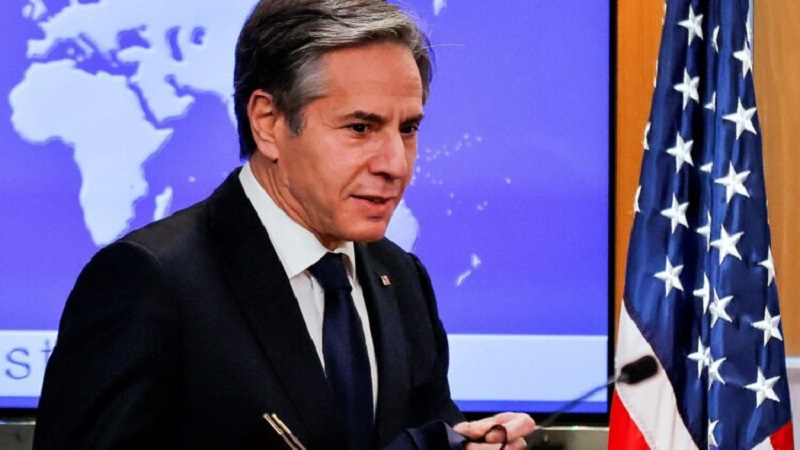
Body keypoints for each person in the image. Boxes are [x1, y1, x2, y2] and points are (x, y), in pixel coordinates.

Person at [32, 1, 535, 449]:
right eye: (360, 127)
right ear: (268, 122)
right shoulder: (152, 281)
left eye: (408, 128)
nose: (395, 163)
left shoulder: (401, 277)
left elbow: (429, 428)